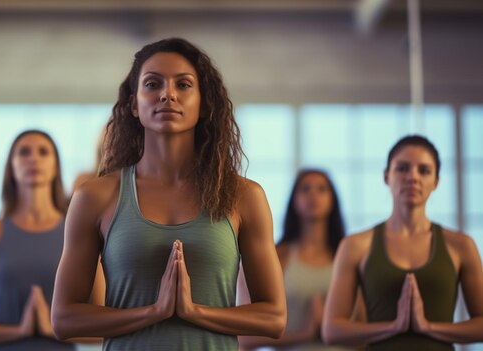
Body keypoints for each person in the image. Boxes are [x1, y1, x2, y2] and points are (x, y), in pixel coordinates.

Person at [51, 37, 287, 351]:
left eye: (184, 85)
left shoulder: (243, 196)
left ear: (204, 104)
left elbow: (274, 318)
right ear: (134, 104)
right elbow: (65, 319)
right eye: (152, 84)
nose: (168, 94)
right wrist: (153, 312)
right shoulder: (95, 197)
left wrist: (194, 311)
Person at [322, 135, 483, 350]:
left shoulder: (461, 246)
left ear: (435, 181)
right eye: (402, 168)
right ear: (386, 176)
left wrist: (429, 328)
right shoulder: (356, 245)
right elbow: (331, 330)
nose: (413, 177)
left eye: (424, 171)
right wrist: (393, 327)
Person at [0, 130, 104, 351]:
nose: (33, 158)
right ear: (11, 168)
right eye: (24, 152)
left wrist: (51, 328)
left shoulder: (79, 231)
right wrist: (20, 331)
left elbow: (103, 326)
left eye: (43, 152)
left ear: (56, 166)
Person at [239, 169, 354, 351]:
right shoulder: (277, 256)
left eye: (322, 189)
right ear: (294, 200)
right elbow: (244, 338)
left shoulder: (348, 255)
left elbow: (366, 332)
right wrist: (305, 333)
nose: (313, 195)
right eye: (305, 189)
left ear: (333, 200)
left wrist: (331, 328)